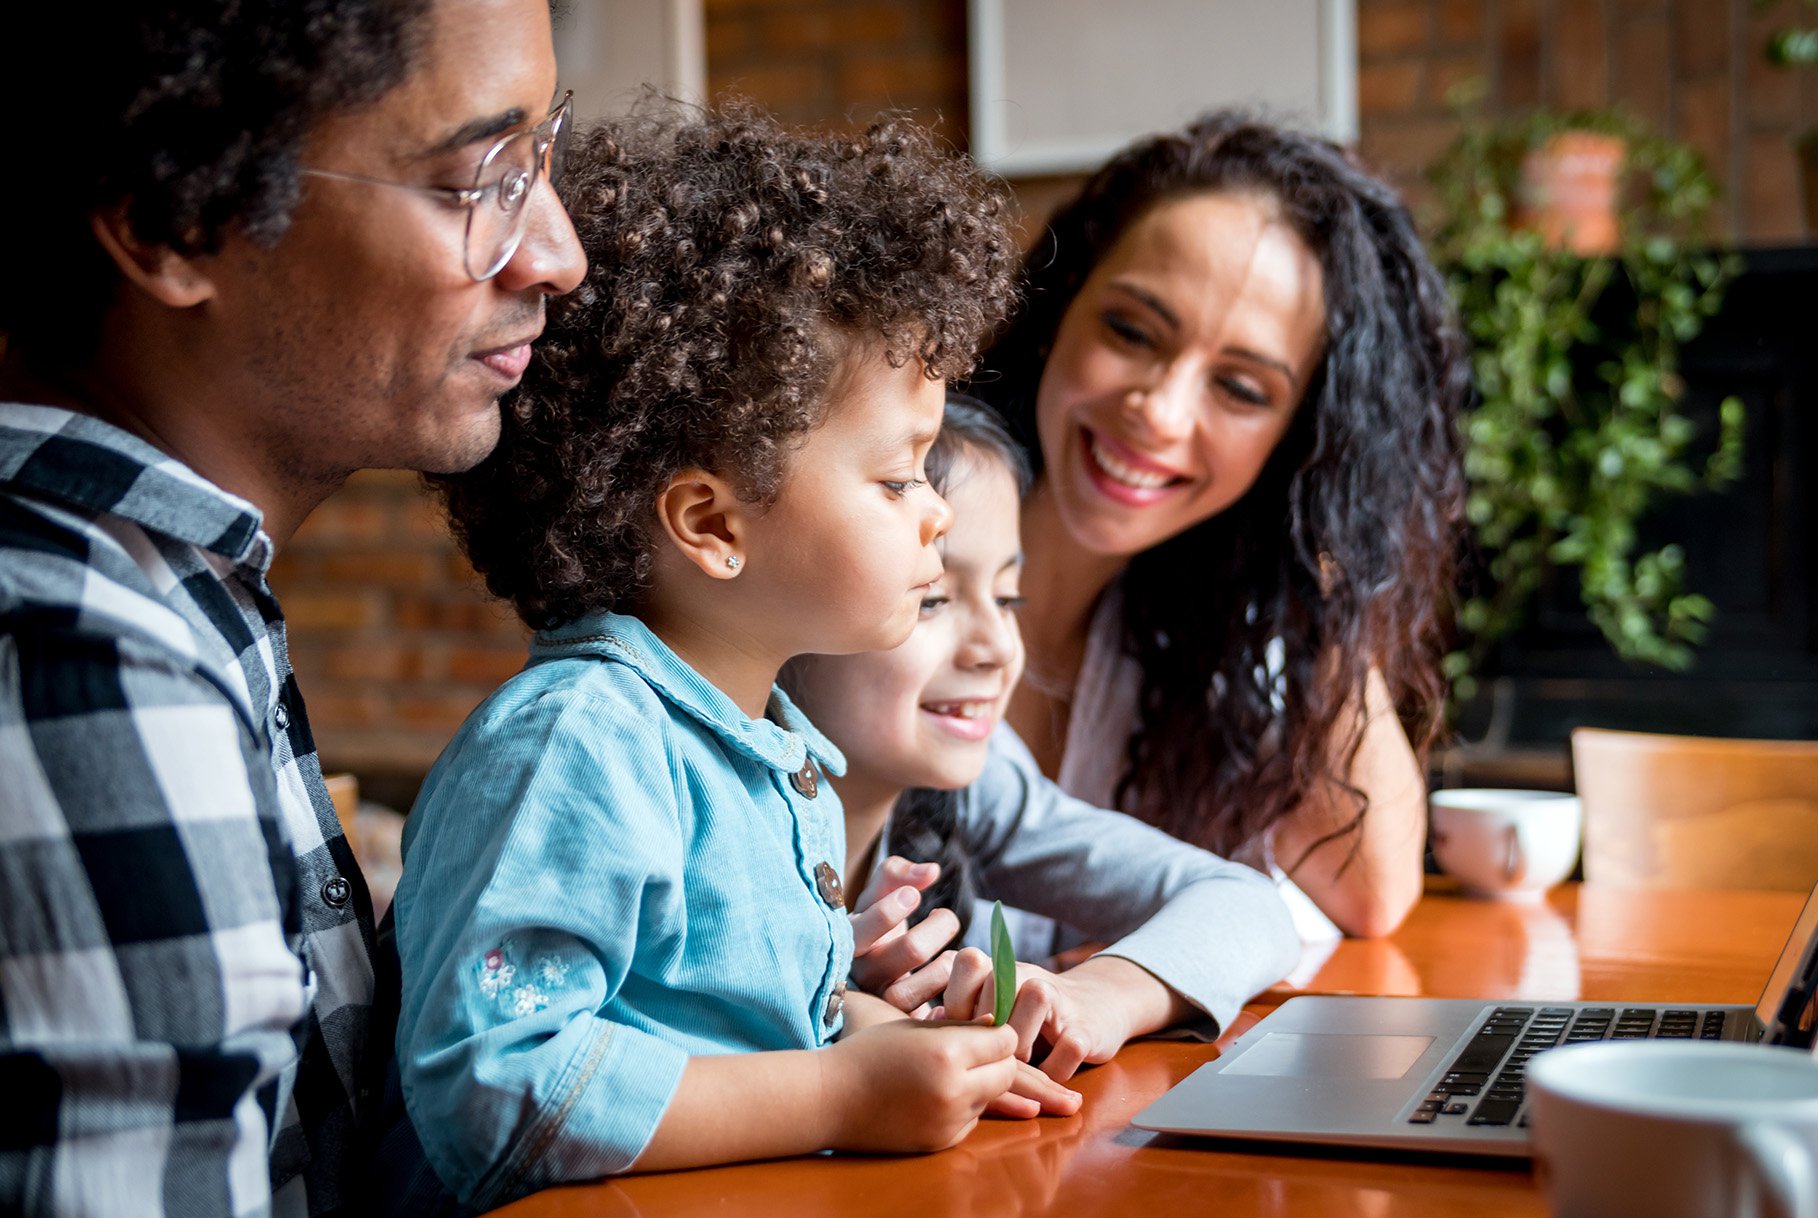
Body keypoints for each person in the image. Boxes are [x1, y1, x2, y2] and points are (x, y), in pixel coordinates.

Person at [382, 103, 1076, 1214]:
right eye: (897, 478)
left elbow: (688, 1018)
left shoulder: (757, 746)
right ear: (710, 524)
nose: (935, 517)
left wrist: (856, 1008)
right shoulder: (579, 742)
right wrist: (837, 1091)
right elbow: (495, 1085)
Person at [0, 0, 584, 1214]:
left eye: (545, 152)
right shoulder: (89, 667)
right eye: (480, 180)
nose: (558, 252)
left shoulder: (187, 591)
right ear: (171, 221)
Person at [973, 111, 1468, 944]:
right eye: (1131, 331)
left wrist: (1330, 552)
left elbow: (1371, 890)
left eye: (1241, 389)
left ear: (1299, 441)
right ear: (1062, 308)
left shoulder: (1195, 641)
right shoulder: (892, 542)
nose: (1159, 413)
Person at [784, 394, 1298, 1079]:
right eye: (931, 596)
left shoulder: (978, 785)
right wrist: (840, 1010)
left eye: (1007, 597)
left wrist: (1095, 996)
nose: (998, 648)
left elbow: (1248, 906)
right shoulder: (687, 801)